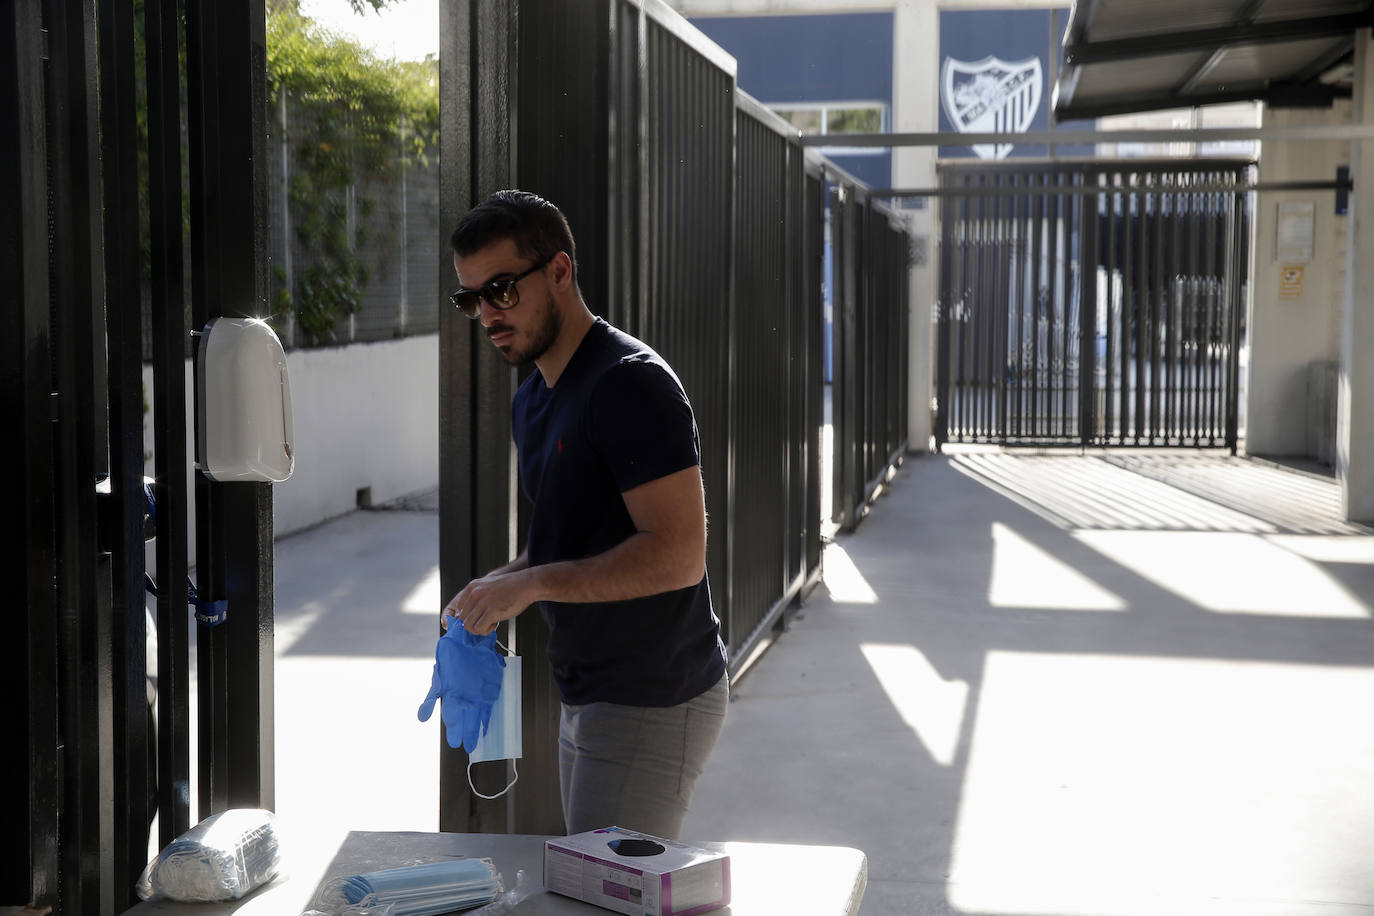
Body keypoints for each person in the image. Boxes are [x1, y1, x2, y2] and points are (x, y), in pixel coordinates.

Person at [441, 189, 728, 840]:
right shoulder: (532, 399)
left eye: (503, 289)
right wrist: (494, 590)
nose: (487, 314)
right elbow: (558, 544)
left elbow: (679, 556)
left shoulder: (631, 384)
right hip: (592, 693)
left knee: (609, 898)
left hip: (655, 696)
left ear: (561, 273)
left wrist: (533, 584)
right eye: (471, 299)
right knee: (596, 887)